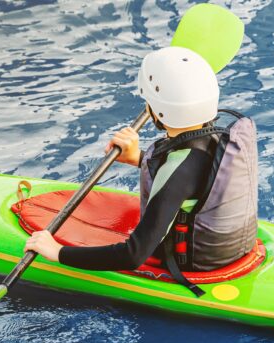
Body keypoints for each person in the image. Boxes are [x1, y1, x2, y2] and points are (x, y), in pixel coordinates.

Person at [24, 46, 258, 296]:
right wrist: (138, 158)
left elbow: (133, 255)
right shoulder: (219, 140)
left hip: (193, 265)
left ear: (158, 110)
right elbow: (198, 181)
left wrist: (58, 252)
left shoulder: (179, 171)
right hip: (232, 249)